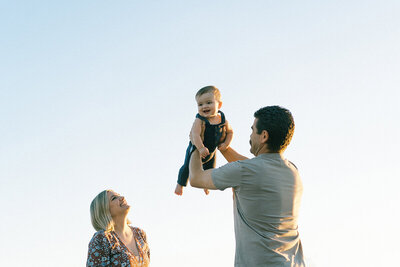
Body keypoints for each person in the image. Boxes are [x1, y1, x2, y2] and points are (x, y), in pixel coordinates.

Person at [189, 106, 305, 267]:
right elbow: (250, 168)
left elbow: (196, 178)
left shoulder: (246, 171)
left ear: (264, 136)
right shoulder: (292, 171)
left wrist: (196, 144)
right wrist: (224, 147)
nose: (250, 135)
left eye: (253, 130)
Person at [175, 85, 233, 195]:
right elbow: (195, 134)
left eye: (208, 102)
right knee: (187, 166)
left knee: (211, 168)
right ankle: (180, 184)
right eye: (200, 104)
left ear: (219, 104)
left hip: (212, 149)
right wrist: (200, 148)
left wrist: (226, 144)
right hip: (197, 148)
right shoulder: (199, 120)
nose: (204, 106)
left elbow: (230, 132)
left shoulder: (222, 120)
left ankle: (206, 186)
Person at [87, 190, 150, 267]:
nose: (122, 197)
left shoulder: (140, 234)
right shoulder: (102, 238)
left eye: (119, 195)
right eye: (114, 198)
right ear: (104, 210)